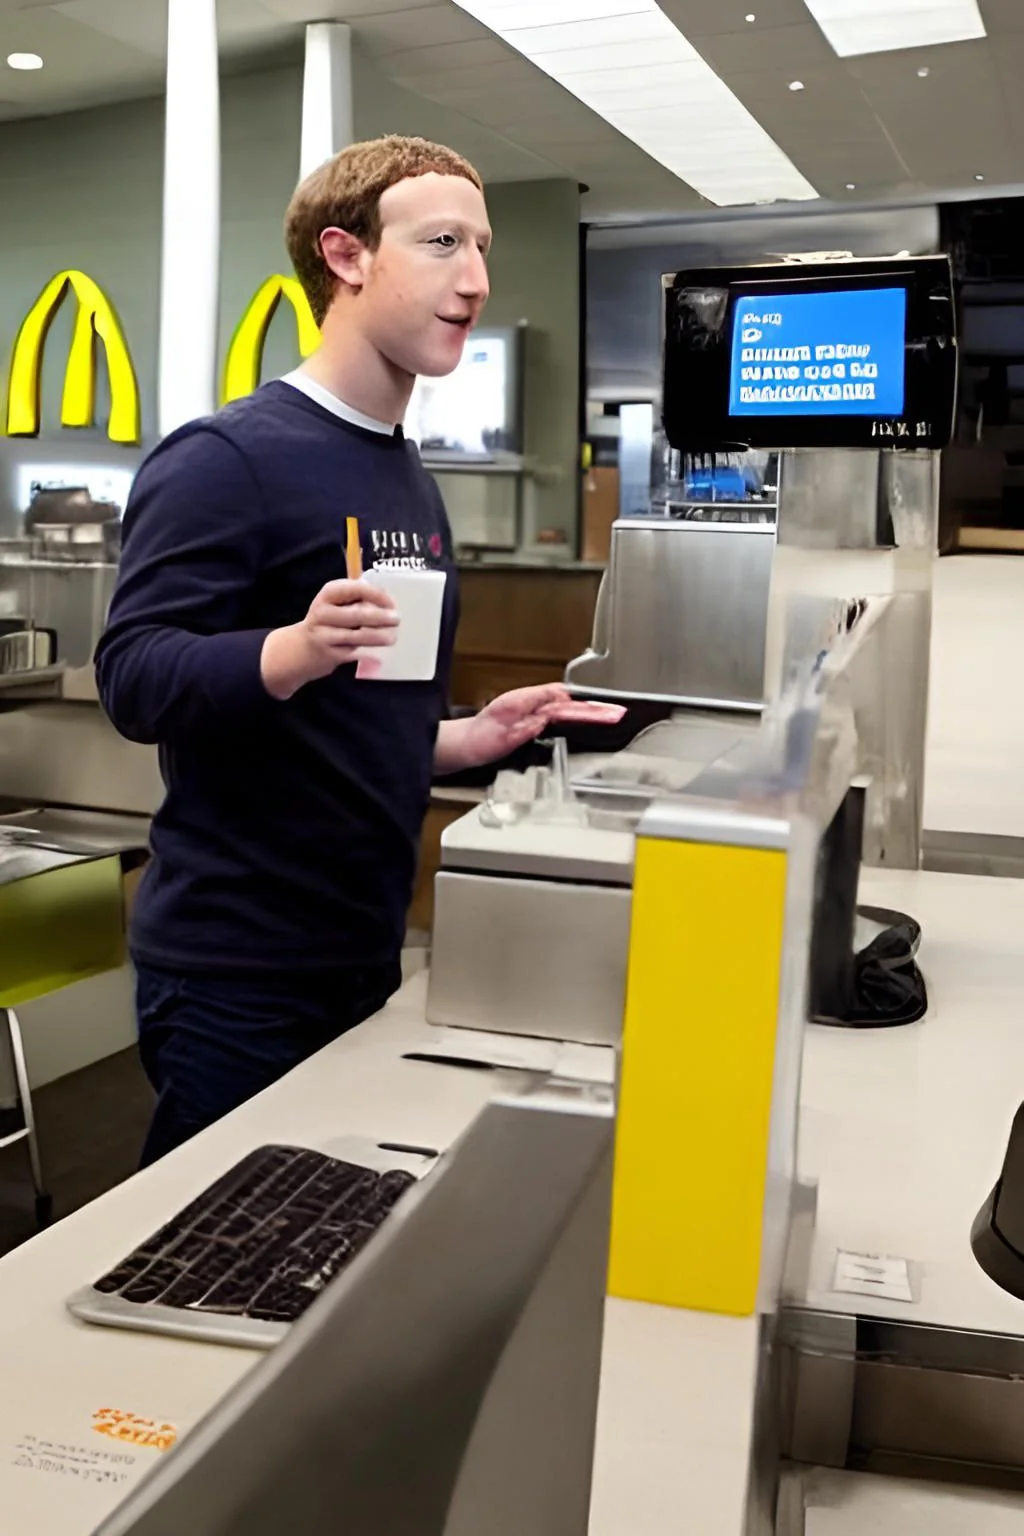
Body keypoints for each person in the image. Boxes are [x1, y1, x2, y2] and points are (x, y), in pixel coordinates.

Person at [96, 134, 622, 1165]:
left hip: (361, 947)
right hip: (234, 971)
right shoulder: (225, 460)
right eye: (439, 244)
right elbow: (134, 678)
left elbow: (355, 716)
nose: (473, 280)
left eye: (480, 247)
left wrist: (468, 739)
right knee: (210, 1262)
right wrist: (287, 649)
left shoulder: (401, 473)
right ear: (345, 258)